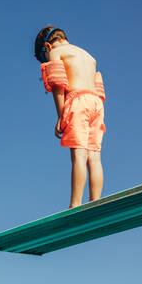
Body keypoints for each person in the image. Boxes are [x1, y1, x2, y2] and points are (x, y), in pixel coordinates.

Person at [34, 26, 106, 209]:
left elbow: (58, 83)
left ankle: (75, 204)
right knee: (95, 157)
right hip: (96, 103)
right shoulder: (89, 56)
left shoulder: (56, 52)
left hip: (78, 101)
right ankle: (96, 201)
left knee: (78, 156)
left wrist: (61, 116)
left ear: (48, 46)